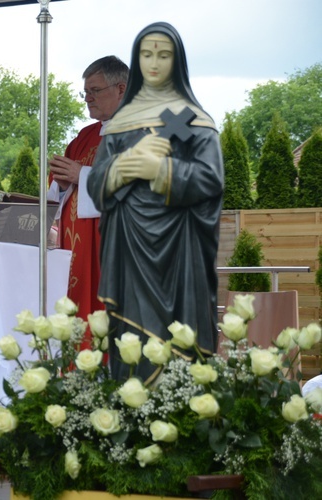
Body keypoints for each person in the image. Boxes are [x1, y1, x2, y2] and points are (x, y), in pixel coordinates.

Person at [87, 22, 224, 383]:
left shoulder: (194, 122)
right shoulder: (119, 126)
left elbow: (211, 181)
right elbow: (97, 183)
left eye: (163, 55)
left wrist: (160, 170)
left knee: (179, 339)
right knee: (132, 343)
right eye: (147, 55)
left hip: (180, 254)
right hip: (129, 254)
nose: (155, 63)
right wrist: (120, 170)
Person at [47, 55, 128, 351]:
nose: (88, 99)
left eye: (95, 91)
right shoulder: (84, 136)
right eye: (85, 92)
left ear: (121, 88)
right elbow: (62, 190)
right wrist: (64, 181)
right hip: (77, 249)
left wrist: (81, 174)